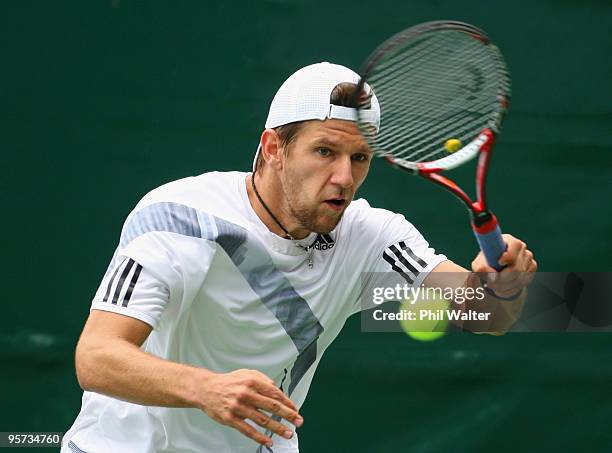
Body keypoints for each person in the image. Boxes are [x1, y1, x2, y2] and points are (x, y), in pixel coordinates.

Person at [62, 62, 536, 453]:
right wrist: (204, 388)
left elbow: (487, 316)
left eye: (360, 158)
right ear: (274, 149)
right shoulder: (180, 219)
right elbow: (97, 357)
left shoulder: (371, 234)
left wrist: (506, 288)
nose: (344, 177)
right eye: (324, 151)